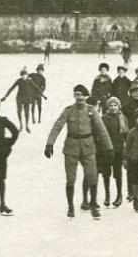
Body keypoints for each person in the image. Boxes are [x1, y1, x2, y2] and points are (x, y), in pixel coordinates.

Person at [43, 85, 110, 219]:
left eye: (81, 95)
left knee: (92, 176)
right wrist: (49, 143)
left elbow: (101, 129)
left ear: (86, 96)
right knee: (70, 179)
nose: (79, 98)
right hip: (71, 148)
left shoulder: (92, 111)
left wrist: (109, 147)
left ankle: (93, 206)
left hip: (88, 147)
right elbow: (58, 126)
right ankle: (70, 207)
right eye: (76, 95)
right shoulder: (68, 111)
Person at [98, 97, 128, 208]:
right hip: (106, 150)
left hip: (119, 150)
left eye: (115, 105)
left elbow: (126, 136)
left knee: (118, 173)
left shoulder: (123, 118)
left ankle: (119, 195)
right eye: (111, 105)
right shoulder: (103, 118)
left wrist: (126, 149)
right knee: (106, 173)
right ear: (107, 107)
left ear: (119, 106)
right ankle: (107, 195)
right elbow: (100, 134)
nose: (113, 107)